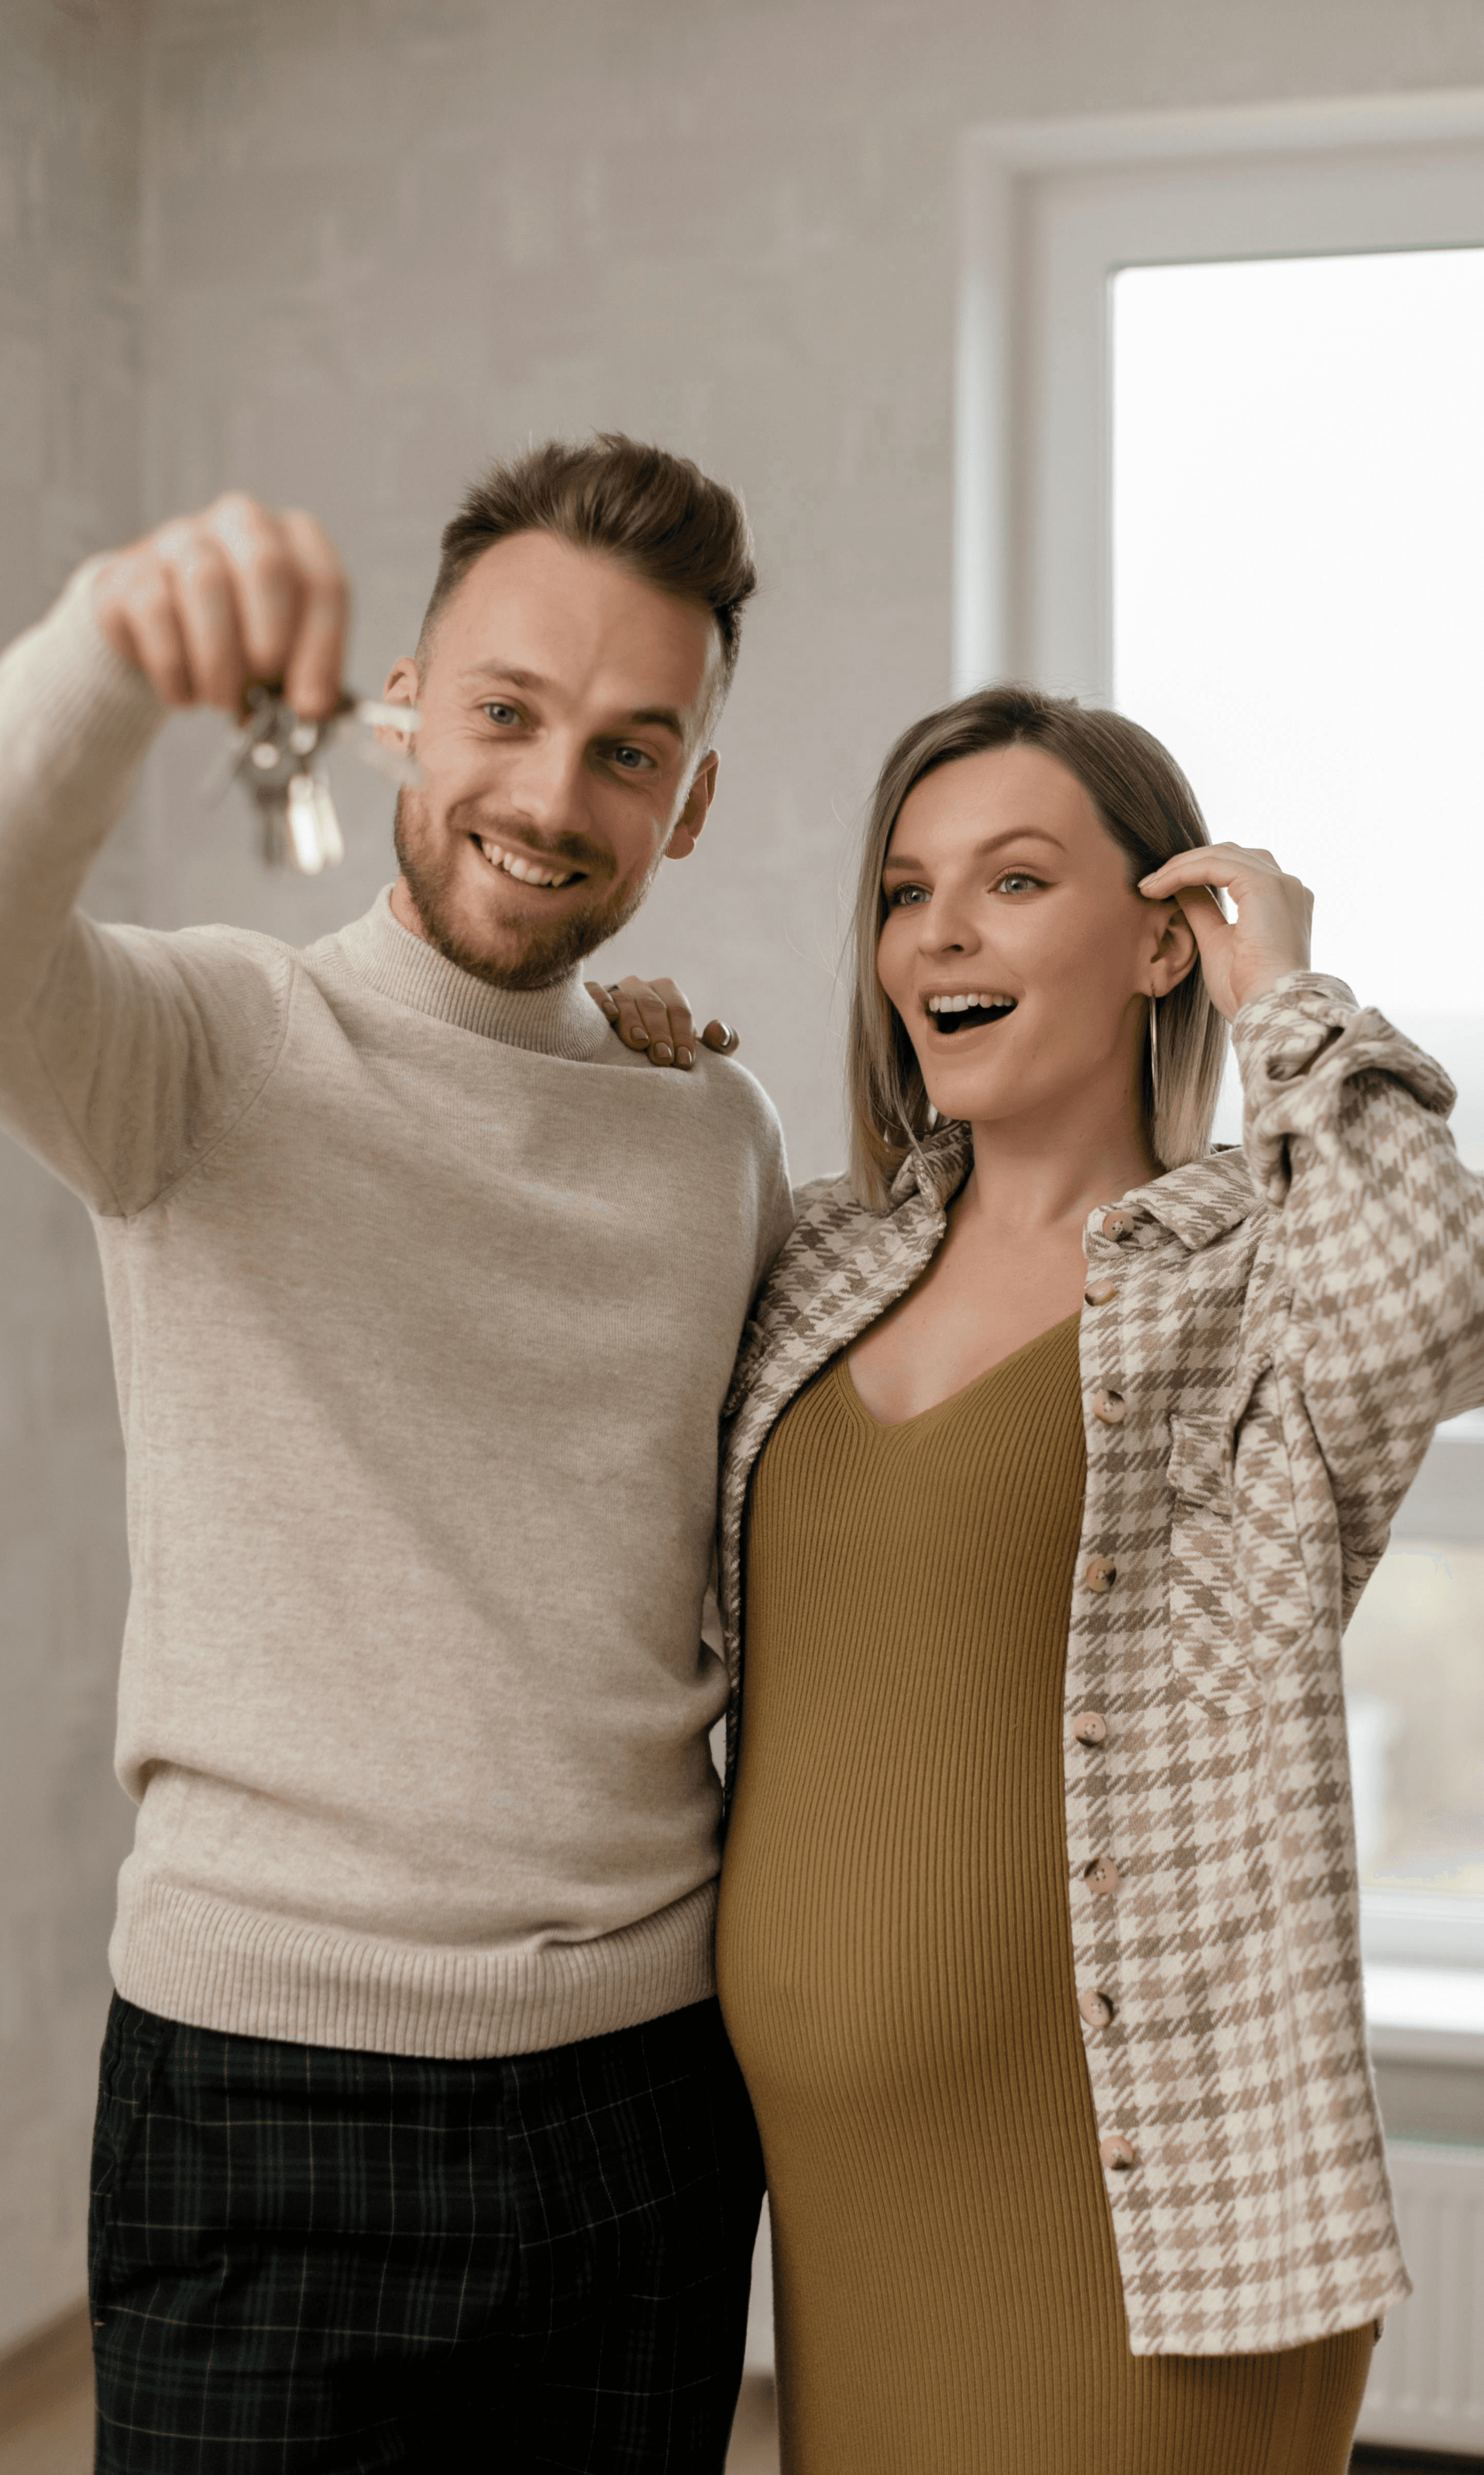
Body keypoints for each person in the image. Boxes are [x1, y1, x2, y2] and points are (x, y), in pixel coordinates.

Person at [0, 437, 793, 2471]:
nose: (551, 797)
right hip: (267, 2100)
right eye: (508, 715)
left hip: (646, 2110)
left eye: (630, 750)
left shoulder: (714, 1134)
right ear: (401, 711)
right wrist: (105, 643)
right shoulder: (204, 1054)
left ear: (688, 802)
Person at [712, 686, 1484, 2474]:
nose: (939, 929)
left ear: (1159, 943)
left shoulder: (1246, 1283)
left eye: (1014, 882)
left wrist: (1291, 1002)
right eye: (905, 888)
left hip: (1147, 2213)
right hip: (849, 2208)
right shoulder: (810, 1264)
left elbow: (1470, 1307)